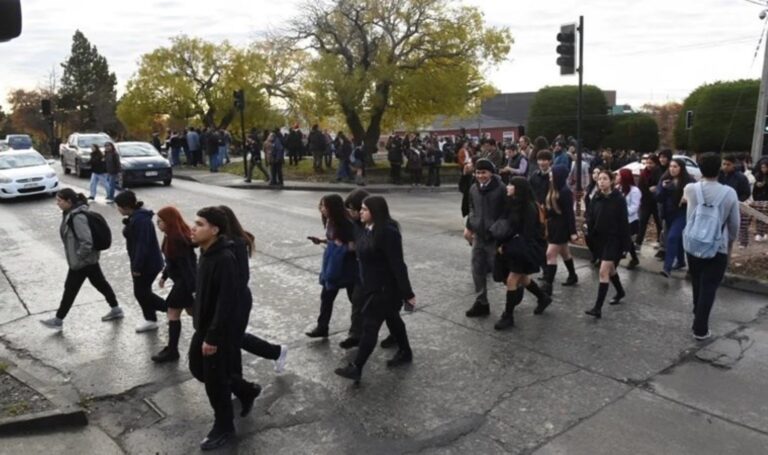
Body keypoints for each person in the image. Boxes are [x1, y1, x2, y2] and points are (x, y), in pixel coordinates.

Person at [188, 207, 253, 450]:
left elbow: (226, 301)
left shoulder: (224, 258)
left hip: (217, 330)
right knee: (197, 367)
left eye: (199, 224)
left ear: (214, 230)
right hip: (204, 326)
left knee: (215, 380)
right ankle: (245, 390)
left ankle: (224, 426)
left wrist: (213, 337)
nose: (193, 227)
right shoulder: (206, 253)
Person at [334, 196, 415, 382]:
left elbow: (398, 264)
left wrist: (407, 293)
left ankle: (357, 367)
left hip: (385, 289)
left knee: (370, 327)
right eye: (361, 209)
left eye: (364, 209)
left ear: (375, 211)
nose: (360, 212)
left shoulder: (388, 232)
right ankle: (405, 352)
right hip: (370, 286)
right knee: (393, 320)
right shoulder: (366, 229)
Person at [40, 189, 123, 330]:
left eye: (60, 201)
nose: (57, 203)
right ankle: (116, 309)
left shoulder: (77, 217)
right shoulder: (69, 214)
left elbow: (86, 241)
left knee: (70, 289)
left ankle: (58, 319)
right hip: (88, 260)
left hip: (82, 262)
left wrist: (79, 257)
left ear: (69, 201)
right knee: (100, 284)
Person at [683, 153, 740, 340]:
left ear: (700, 169)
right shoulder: (729, 193)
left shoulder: (690, 189)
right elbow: (734, 225)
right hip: (717, 247)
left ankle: (696, 312)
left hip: (693, 244)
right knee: (709, 287)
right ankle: (700, 328)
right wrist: (729, 243)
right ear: (720, 169)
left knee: (697, 282)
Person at [491, 177, 548, 330]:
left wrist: (507, 246)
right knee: (522, 278)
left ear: (518, 188)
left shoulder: (529, 207)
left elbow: (527, 235)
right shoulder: (512, 203)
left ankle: (508, 316)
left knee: (512, 280)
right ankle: (543, 297)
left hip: (524, 249)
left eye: (511, 185)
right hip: (515, 248)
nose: (508, 187)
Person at [305, 195, 357, 338]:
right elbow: (333, 240)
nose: (321, 209)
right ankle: (322, 327)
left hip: (347, 267)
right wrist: (321, 240)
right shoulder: (330, 220)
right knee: (326, 297)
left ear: (333, 208)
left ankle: (358, 331)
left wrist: (341, 246)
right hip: (333, 266)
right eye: (320, 205)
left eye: (324, 206)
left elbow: (355, 246)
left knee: (355, 300)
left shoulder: (346, 223)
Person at [115, 191, 167, 333]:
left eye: (118, 206)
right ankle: (151, 319)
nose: (117, 209)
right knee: (143, 291)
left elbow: (142, 246)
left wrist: (137, 267)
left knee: (141, 293)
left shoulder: (141, 220)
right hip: (143, 262)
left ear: (126, 207)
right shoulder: (135, 218)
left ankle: (169, 309)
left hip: (147, 264)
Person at [584, 170, 630, 319]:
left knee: (603, 271)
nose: (601, 181)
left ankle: (597, 308)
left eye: (605, 179)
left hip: (614, 239)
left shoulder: (618, 199)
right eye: (599, 179)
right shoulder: (596, 197)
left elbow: (624, 223)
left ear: (611, 181)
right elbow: (590, 216)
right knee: (610, 271)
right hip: (599, 239)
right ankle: (620, 291)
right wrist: (588, 229)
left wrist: (625, 246)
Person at [464, 159, 507, 317]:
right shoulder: (473, 188)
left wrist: (498, 231)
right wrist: (470, 225)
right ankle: (481, 302)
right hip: (478, 236)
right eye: (477, 172)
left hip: (495, 238)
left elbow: (506, 213)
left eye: (484, 172)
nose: (480, 175)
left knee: (501, 271)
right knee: (477, 269)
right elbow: (471, 208)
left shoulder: (501, 189)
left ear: (491, 172)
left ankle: (517, 293)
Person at [540, 165, 579, 296]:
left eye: (552, 174)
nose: (550, 176)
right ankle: (573, 275)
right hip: (553, 225)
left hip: (561, 227)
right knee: (564, 252)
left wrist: (573, 232)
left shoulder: (565, 192)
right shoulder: (553, 188)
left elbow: (569, 213)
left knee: (550, 254)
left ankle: (548, 285)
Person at [656, 158, 695, 277]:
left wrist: (687, 199)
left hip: (682, 213)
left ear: (681, 168)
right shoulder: (665, 179)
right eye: (671, 166)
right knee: (677, 239)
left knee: (672, 237)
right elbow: (658, 198)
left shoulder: (689, 181)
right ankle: (681, 261)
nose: (672, 169)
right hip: (668, 214)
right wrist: (662, 188)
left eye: (675, 167)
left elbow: (696, 197)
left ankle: (667, 268)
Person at [718, 154, 751, 248]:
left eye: (728, 164)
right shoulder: (718, 175)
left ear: (733, 165)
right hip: (718, 207)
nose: (725, 166)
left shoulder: (740, 178)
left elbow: (746, 192)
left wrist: (736, 201)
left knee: (728, 236)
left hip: (732, 208)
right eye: (723, 164)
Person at [636, 154, 663, 248]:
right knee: (642, 222)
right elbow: (640, 187)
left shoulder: (659, 172)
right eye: (647, 163)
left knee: (659, 223)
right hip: (645, 201)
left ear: (655, 163)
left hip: (656, 202)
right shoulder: (643, 173)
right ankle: (638, 243)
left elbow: (661, 185)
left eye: (651, 163)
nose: (649, 165)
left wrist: (657, 188)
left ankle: (660, 242)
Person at [617, 169, 641, 269]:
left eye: (618, 175)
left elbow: (634, 207)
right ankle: (634, 258)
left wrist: (622, 211)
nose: (617, 177)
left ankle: (616, 259)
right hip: (619, 220)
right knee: (627, 241)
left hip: (630, 220)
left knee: (624, 240)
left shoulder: (635, 191)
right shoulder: (618, 188)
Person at [753, 161, 768, 241]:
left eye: (765, 167)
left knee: (766, 215)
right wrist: (757, 184)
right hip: (759, 198)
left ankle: (765, 232)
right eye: (762, 167)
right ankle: (759, 232)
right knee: (759, 215)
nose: (763, 169)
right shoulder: (758, 175)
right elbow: (754, 187)